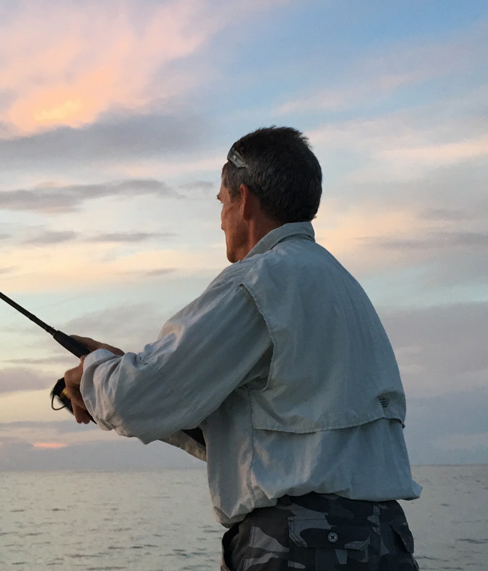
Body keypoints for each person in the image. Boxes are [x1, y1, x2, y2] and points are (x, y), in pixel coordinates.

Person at [62, 126, 421, 570]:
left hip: (302, 546)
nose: (220, 219)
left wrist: (94, 373)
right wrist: (119, 370)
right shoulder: (342, 287)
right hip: (385, 543)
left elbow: (137, 399)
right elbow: (269, 433)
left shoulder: (256, 284)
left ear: (244, 199)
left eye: (221, 203)